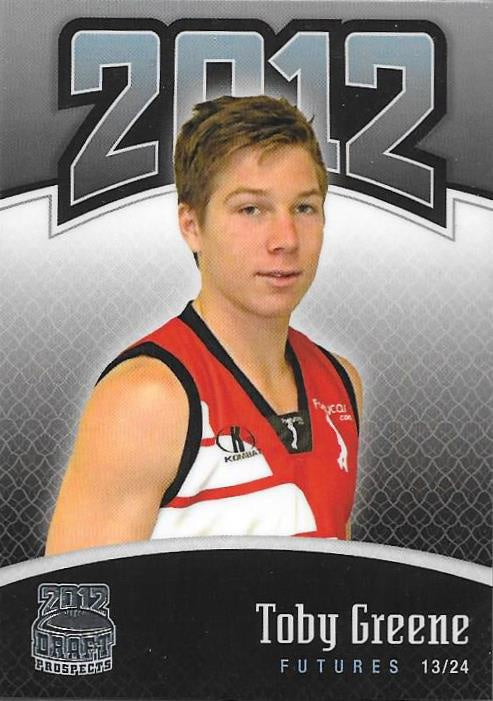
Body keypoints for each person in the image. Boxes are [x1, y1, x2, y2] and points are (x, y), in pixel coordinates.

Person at [46, 95, 362, 555]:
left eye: (304, 208)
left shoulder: (341, 382)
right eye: (251, 209)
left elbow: (333, 585)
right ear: (192, 225)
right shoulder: (148, 398)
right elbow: (76, 598)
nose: (286, 239)